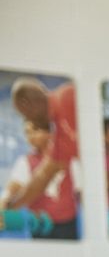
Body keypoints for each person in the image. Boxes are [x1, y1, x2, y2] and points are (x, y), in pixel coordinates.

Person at [7, 75, 77, 212]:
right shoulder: (59, 138)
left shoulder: (69, 95)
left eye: (23, 114)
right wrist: (10, 207)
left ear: (26, 104)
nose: (27, 119)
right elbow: (43, 177)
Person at [3, 116, 79, 238]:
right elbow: (13, 187)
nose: (31, 136)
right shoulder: (25, 162)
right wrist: (5, 201)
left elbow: (80, 191)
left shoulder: (70, 160)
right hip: (40, 224)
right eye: (27, 132)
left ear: (50, 133)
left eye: (35, 130)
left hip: (68, 223)